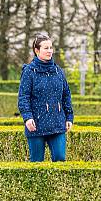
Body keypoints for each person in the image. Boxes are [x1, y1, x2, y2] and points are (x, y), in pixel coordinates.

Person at [18, 33, 74, 162]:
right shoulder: (29, 72)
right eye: (46, 48)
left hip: (57, 123)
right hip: (36, 125)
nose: (49, 51)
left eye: (51, 48)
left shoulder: (58, 71)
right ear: (37, 50)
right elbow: (23, 97)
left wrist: (69, 117)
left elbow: (66, 95)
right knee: (37, 163)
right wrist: (27, 118)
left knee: (60, 158)